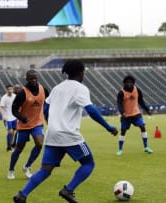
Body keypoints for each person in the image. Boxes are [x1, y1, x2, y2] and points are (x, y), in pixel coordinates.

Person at [13, 60, 118, 203]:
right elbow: (91, 110)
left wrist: (52, 124)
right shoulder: (80, 88)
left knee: (45, 169)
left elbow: (46, 108)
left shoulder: (57, 88)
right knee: (88, 163)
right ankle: (68, 190)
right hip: (69, 135)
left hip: (52, 135)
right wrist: (108, 127)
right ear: (81, 73)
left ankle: (22, 195)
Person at [8, 70, 49, 180]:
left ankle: (27, 166)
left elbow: (49, 101)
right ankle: (11, 170)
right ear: (27, 79)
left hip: (37, 123)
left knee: (40, 144)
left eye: (35, 78)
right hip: (24, 125)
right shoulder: (22, 93)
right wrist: (22, 118)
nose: (34, 80)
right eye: (31, 78)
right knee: (19, 149)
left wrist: (47, 114)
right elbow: (14, 109)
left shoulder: (43, 89)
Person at [116, 75, 153, 156]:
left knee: (142, 126)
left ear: (133, 83)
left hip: (136, 113)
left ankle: (146, 147)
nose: (129, 84)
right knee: (123, 131)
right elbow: (119, 104)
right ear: (124, 83)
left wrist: (147, 110)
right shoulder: (121, 92)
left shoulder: (137, 90)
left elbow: (141, 101)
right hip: (126, 115)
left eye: (131, 82)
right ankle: (120, 149)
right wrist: (123, 113)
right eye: (127, 82)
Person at [0, 84, 17, 152]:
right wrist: (3, 116)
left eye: (11, 89)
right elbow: (0, 107)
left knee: (17, 131)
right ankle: (8, 148)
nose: (10, 90)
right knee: (10, 131)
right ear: (6, 90)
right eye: (8, 89)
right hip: (7, 118)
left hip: (14, 117)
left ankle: (13, 144)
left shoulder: (15, 96)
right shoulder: (4, 98)